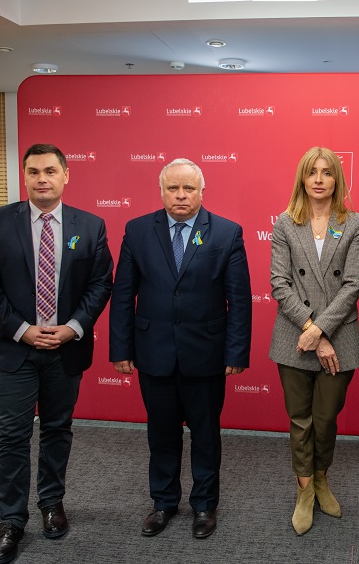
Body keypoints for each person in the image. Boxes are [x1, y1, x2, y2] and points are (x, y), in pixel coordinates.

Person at [0, 143, 114, 564]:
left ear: (67, 175)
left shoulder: (90, 225)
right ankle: (12, 520)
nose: (42, 179)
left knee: (56, 428)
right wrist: (21, 330)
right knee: (12, 436)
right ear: (25, 176)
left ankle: (51, 504)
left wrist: (71, 329)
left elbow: (100, 284)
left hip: (64, 349)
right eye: (33, 172)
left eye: (50, 170)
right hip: (13, 349)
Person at [109, 158, 252, 540]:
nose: (181, 195)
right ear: (161, 192)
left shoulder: (226, 233)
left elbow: (238, 300)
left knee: (206, 434)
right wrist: (121, 349)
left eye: (189, 188)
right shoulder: (137, 230)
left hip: (205, 354)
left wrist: (236, 353)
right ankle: (163, 502)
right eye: (173, 188)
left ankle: (204, 505)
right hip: (153, 352)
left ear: (202, 192)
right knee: (161, 433)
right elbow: (123, 294)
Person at [269, 147, 359, 535]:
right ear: (303, 178)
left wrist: (321, 331)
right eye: (313, 172)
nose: (320, 179)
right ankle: (305, 490)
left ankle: (322, 477)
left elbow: (353, 283)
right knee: (300, 421)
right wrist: (309, 329)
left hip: (338, 336)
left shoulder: (355, 223)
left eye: (328, 172)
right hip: (292, 338)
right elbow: (280, 282)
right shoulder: (284, 223)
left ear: (337, 179)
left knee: (325, 420)